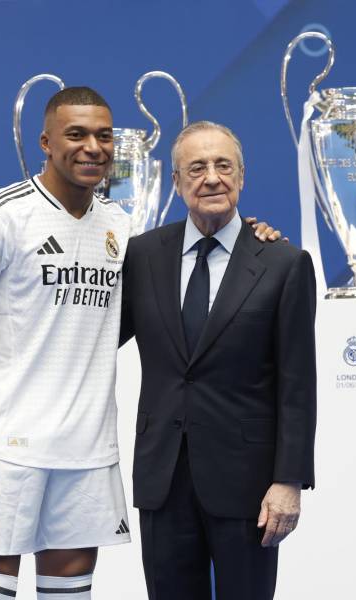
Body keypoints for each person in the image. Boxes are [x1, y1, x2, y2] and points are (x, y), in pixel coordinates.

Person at [0, 89, 281, 599]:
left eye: (104, 136)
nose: (93, 147)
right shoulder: (3, 213)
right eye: (76, 134)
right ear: (46, 142)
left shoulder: (123, 228)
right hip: (6, 446)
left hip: (87, 450)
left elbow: (183, 275)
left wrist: (248, 239)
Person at [120, 121, 317, 600]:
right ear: (175, 182)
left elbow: (297, 385)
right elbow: (95, 337)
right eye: (197, 168)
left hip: (249, 485)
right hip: (163, 479)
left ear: (241, 177)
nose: (211, 177)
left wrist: (288, 481)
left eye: (223, 165)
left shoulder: (283, 264)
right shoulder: (142, 256)